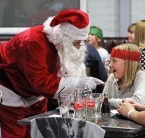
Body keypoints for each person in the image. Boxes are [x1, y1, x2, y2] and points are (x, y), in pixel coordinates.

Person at [0, 9, 102, 138]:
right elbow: (41, 82)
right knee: (15, 133)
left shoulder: (59, 43)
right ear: (65, 37)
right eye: (77, 41)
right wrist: (77, 83)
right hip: (9, 86)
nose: (80, 45)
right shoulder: (33, 42)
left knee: (39, 130)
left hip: (34, 92)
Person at [102, 43, 145, 108]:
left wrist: (109, 101)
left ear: (128, 63)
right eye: (110, 60)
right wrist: (106, 101)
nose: (110, 65)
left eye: (114, 61)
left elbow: (137, 102)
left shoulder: (142, 76)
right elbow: (102, 100)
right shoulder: (112, 77)